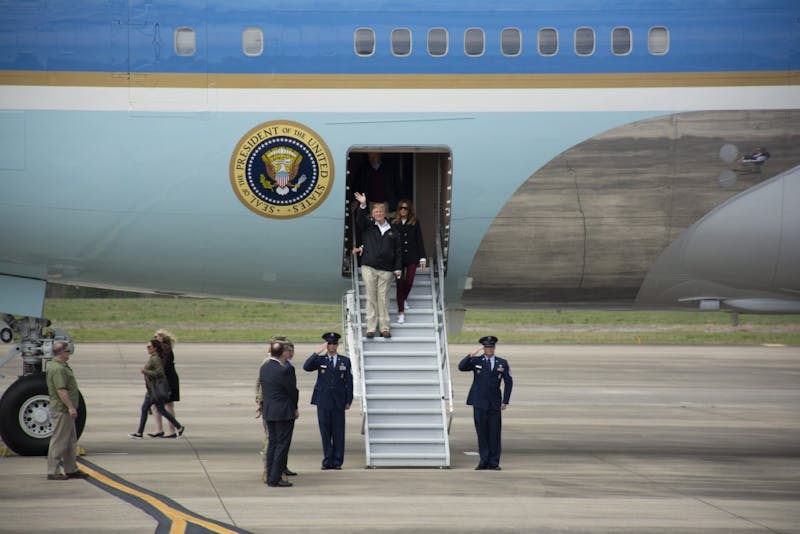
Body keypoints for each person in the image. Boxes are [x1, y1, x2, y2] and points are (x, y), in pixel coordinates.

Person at [458, 336, 513, 471]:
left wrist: (505, 400)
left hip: (494, 403)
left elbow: (508, 382)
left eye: (491, 347)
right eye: (487, 347)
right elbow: (461, 367)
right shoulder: (477, 361)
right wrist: (471, 355)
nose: (489, 349)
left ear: (494, 348)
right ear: (483, 348)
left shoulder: (502, 363)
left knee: (494, 433)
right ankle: (483, 461)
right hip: (479, 402)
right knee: (482, 433)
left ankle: (494, 462)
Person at [353, 191, 402, 339]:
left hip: (386, 269)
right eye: (375, 212)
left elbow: (398, 251)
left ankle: (384, 328)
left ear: (385, 213)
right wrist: (363, 204)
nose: (378, 214)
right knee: (371, 297)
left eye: (380, 211)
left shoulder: (393, 230)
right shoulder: (368, 226)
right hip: (369, 266)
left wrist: (398, 267)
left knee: (383, 299)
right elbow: (359, 220)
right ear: (372, 214)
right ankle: (371, 328)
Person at [303, 332, 353, 470]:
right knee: (325, 432)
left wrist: (348, 400)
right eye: (329, 344)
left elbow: (349, 382)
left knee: (338, 432)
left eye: (334, 343)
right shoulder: (321, 360)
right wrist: (316, 352)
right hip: (323, 401)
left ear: (337, 345)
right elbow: (306, 367)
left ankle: (337, 461)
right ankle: (327, 460)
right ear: (326, 345)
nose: (332, 346)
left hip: (338, 401)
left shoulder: (345, 361)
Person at [255, 336, 297, 481]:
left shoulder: (267, 366)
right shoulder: (282, 368)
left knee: (274, 443)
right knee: (278, 443)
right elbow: (291, 391)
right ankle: (273, 474)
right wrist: (295, 407)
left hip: (270, 410)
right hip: (282, 411)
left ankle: (274, 472)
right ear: (283, 352)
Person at [45, 341, 89, 480]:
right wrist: (70, 407)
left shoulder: (61, 366)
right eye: (67, 351)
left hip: (65, 409)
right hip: (62, 409)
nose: (69, 353)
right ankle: (53, 471)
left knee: (70, 441)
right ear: (62, 352)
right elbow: (61, 390)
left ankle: (71, 469)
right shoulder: (58, 369)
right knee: (59, 440)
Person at [129, 338, 185, 439]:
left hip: (155, 390)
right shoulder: (153, 357)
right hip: (152, 389)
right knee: (160, 410)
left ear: (155, 348)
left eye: (149, 347)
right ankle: (179, 427)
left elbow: (160, 373)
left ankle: (139, 433)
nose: (147, 348)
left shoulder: (155, 359)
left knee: (145, 408)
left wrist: (145, 372)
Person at [391, 199, 427, 324]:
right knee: (400, 283)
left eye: (405, 208)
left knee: (410, 281)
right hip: (399, 258)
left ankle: (404, 298)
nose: (403, 210)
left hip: (412, 256)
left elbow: (419, 240)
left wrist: (422, 257)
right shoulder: (394, 223)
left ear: (409, 210)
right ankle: (401, 313)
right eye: (401, 208)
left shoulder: (415, 222)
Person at [149, 329, 180, 438]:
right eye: (154, 336)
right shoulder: (161, 349)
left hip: (168, 380)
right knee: (155, 405)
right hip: (162, 380)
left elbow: (161, 366)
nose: (155, 338)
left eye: (157, 336)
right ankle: (160, 430)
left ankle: (171, 431)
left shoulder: (165, 349)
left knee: (168, 405)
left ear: (162, 337)